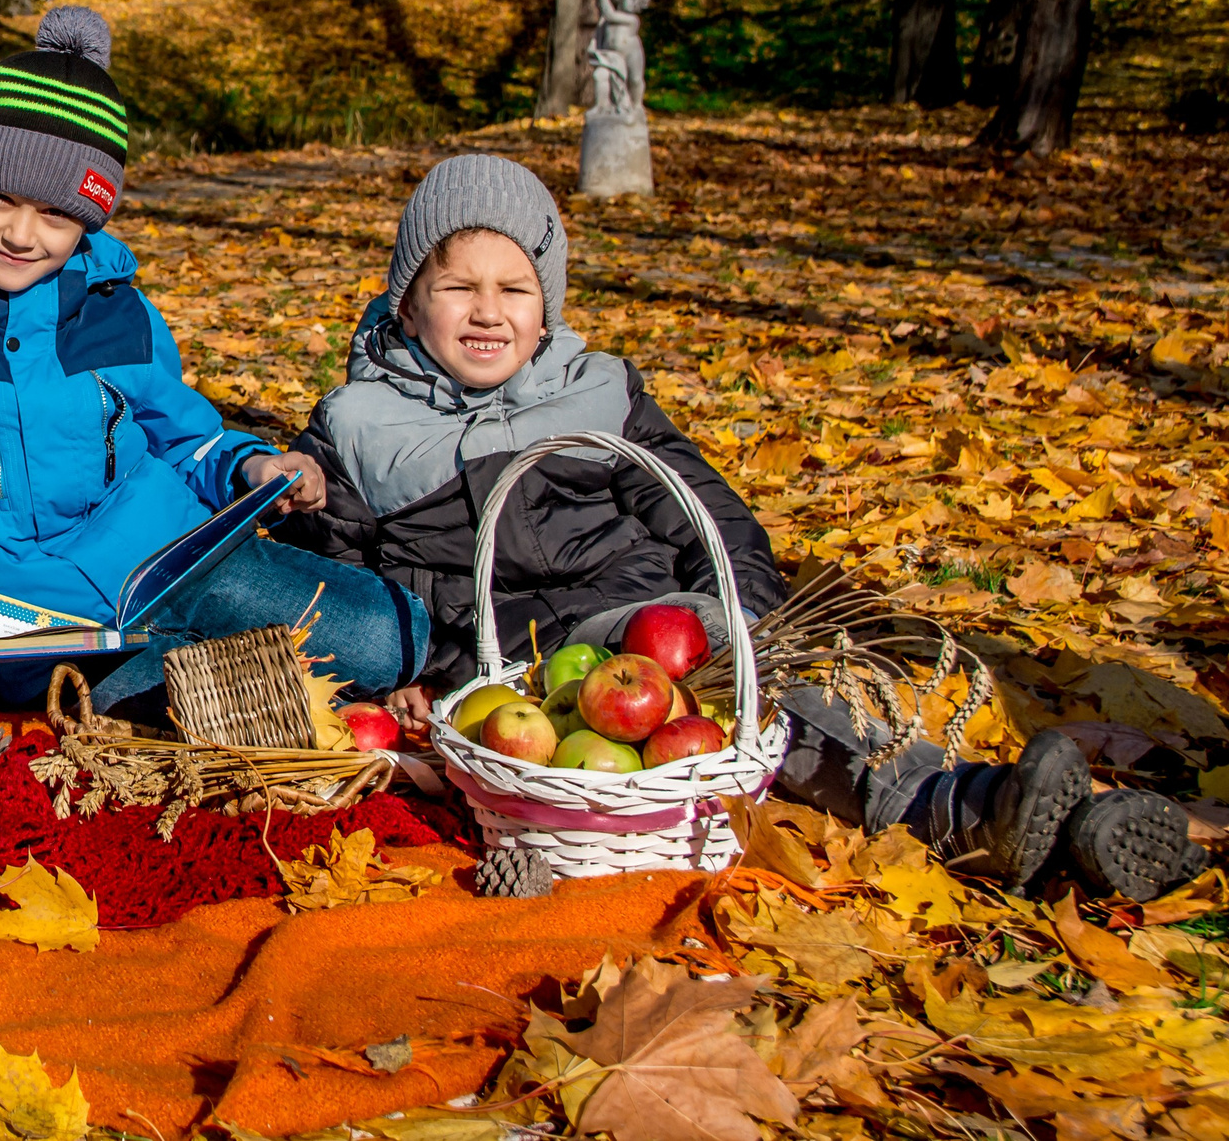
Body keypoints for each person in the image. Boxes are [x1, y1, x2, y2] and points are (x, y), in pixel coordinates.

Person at [281, 152, 1205, 898]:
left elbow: (703, 508)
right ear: (408, 298)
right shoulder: (362, 425)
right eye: (458, 287)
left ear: (548, 305)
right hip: (509, 666)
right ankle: (1036, 830)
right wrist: (421, 673)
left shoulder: (596, 392)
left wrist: (749, 612)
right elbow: (353, 576)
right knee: (669, 720)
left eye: (515, 289)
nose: (488, 310)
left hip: (638, 625)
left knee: (755, 697)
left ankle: (962, 801)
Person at [0, 8, 428, 714]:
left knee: (393, 636)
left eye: (54, 214)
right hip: (34, 623)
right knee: (158, 702)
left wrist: (254, 466)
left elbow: (188, 438)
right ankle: (246, 687)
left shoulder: (118, 310)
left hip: (170, 557)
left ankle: (259, 672)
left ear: (90, 216)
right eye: (0, 200)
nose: (19, 232)